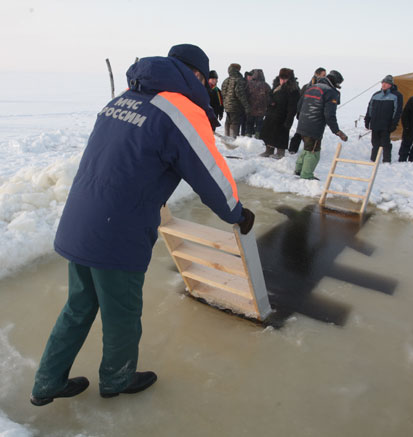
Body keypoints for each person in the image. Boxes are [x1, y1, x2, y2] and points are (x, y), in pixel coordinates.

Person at [29, 44, 256, 406]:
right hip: (118, 229)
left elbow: (126, 157)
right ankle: (117, 379)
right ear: (197, 75)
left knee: (79, 305)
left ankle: (47, 381)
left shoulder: (124, 98)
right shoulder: (179, 108)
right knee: (122, 312)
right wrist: (237, 213)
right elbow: (208, 172)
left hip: (82, 219)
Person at [294, 70, 348, 180]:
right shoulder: (331, 92)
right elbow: (329, 115)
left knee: (306, 149)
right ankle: (306, 175)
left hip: (302, 124)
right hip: (315, 126)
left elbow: (299, 105)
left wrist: (303, 118)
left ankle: (298, 170)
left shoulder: (311, 87)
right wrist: (336, 130)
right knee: (313, 151)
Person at [259, 68, 300, 159]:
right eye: (281, 78)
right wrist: (270, 101)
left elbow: (292, 108)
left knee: (281, 135)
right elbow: (269, 96)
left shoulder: (293, 90)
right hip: (271, 115)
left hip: (283, 116)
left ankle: (280, 152)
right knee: (269, 133)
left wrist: (289, 121)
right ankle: (268, 150)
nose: (282, 81)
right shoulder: (276, 86)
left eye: (285, 79)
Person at [364, 75, 403, 163]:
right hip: (375, 123)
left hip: (386, 124)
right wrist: (367, 120)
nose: (384, 85)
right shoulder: (376, 95)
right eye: (383, 83)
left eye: (387, 83)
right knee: (375, 143)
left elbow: (397, 111)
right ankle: (373, 160)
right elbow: (370, 108)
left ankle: (386, 160)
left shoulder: (396, 95)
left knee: (385, 143)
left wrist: (394, 123)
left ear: (391, 85)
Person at [289, 67, 326, 154]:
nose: (325, 77)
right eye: (323, 75)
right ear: (317, 74)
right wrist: (299, 112)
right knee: (300, 133)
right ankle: (293, 150)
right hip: (305, 114)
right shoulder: (308, 87)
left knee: (311, 134)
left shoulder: (324, 88)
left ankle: (309, 149)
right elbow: (301, 100)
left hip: (315, 115)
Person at [221, 63, 250, 138]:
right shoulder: (238, 80)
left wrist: (226, 102)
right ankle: (233, 140)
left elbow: (223, 93)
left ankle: (226, 137)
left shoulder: (226, 80)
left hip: (227, 106)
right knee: (235, 123)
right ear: (238, 70)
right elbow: (240, 94)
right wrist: (246, 106)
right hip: (235, 106)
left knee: (228, 121)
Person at [245, 69, 271, 138]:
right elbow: (270, 97)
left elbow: (245, 95)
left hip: (250, 109)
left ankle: (248, 138)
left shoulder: (249, 84)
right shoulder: (266, 85)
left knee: (249, 124)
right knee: (259, 124)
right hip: (261, 110)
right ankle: (257, 138)